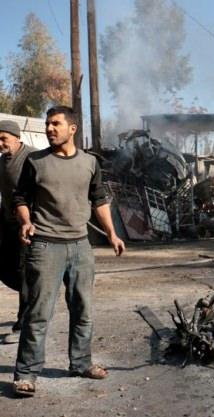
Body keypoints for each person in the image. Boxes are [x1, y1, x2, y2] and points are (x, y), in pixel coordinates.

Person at [11, 106, 125, 397]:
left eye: (56, 124)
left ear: (72, 128)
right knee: (38, 313)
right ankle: (26, 374)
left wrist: (112, 234)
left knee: (83, 309)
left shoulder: (89, 162)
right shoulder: (36, 161)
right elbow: (20, 198)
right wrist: (26, 222)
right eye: (47, 124)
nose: (49, 129)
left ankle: (81, 363)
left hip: (80, 246)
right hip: (45, 245)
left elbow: (99, 200)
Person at [0, 120, 36, 344]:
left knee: (25, 272)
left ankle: (25, 321)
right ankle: (34, 298)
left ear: (17, 137)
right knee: (6, 267)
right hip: (7, 222)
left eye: (3, 138)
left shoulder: (32, 158)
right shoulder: (2, 161)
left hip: (28, 224)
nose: (0, 143)